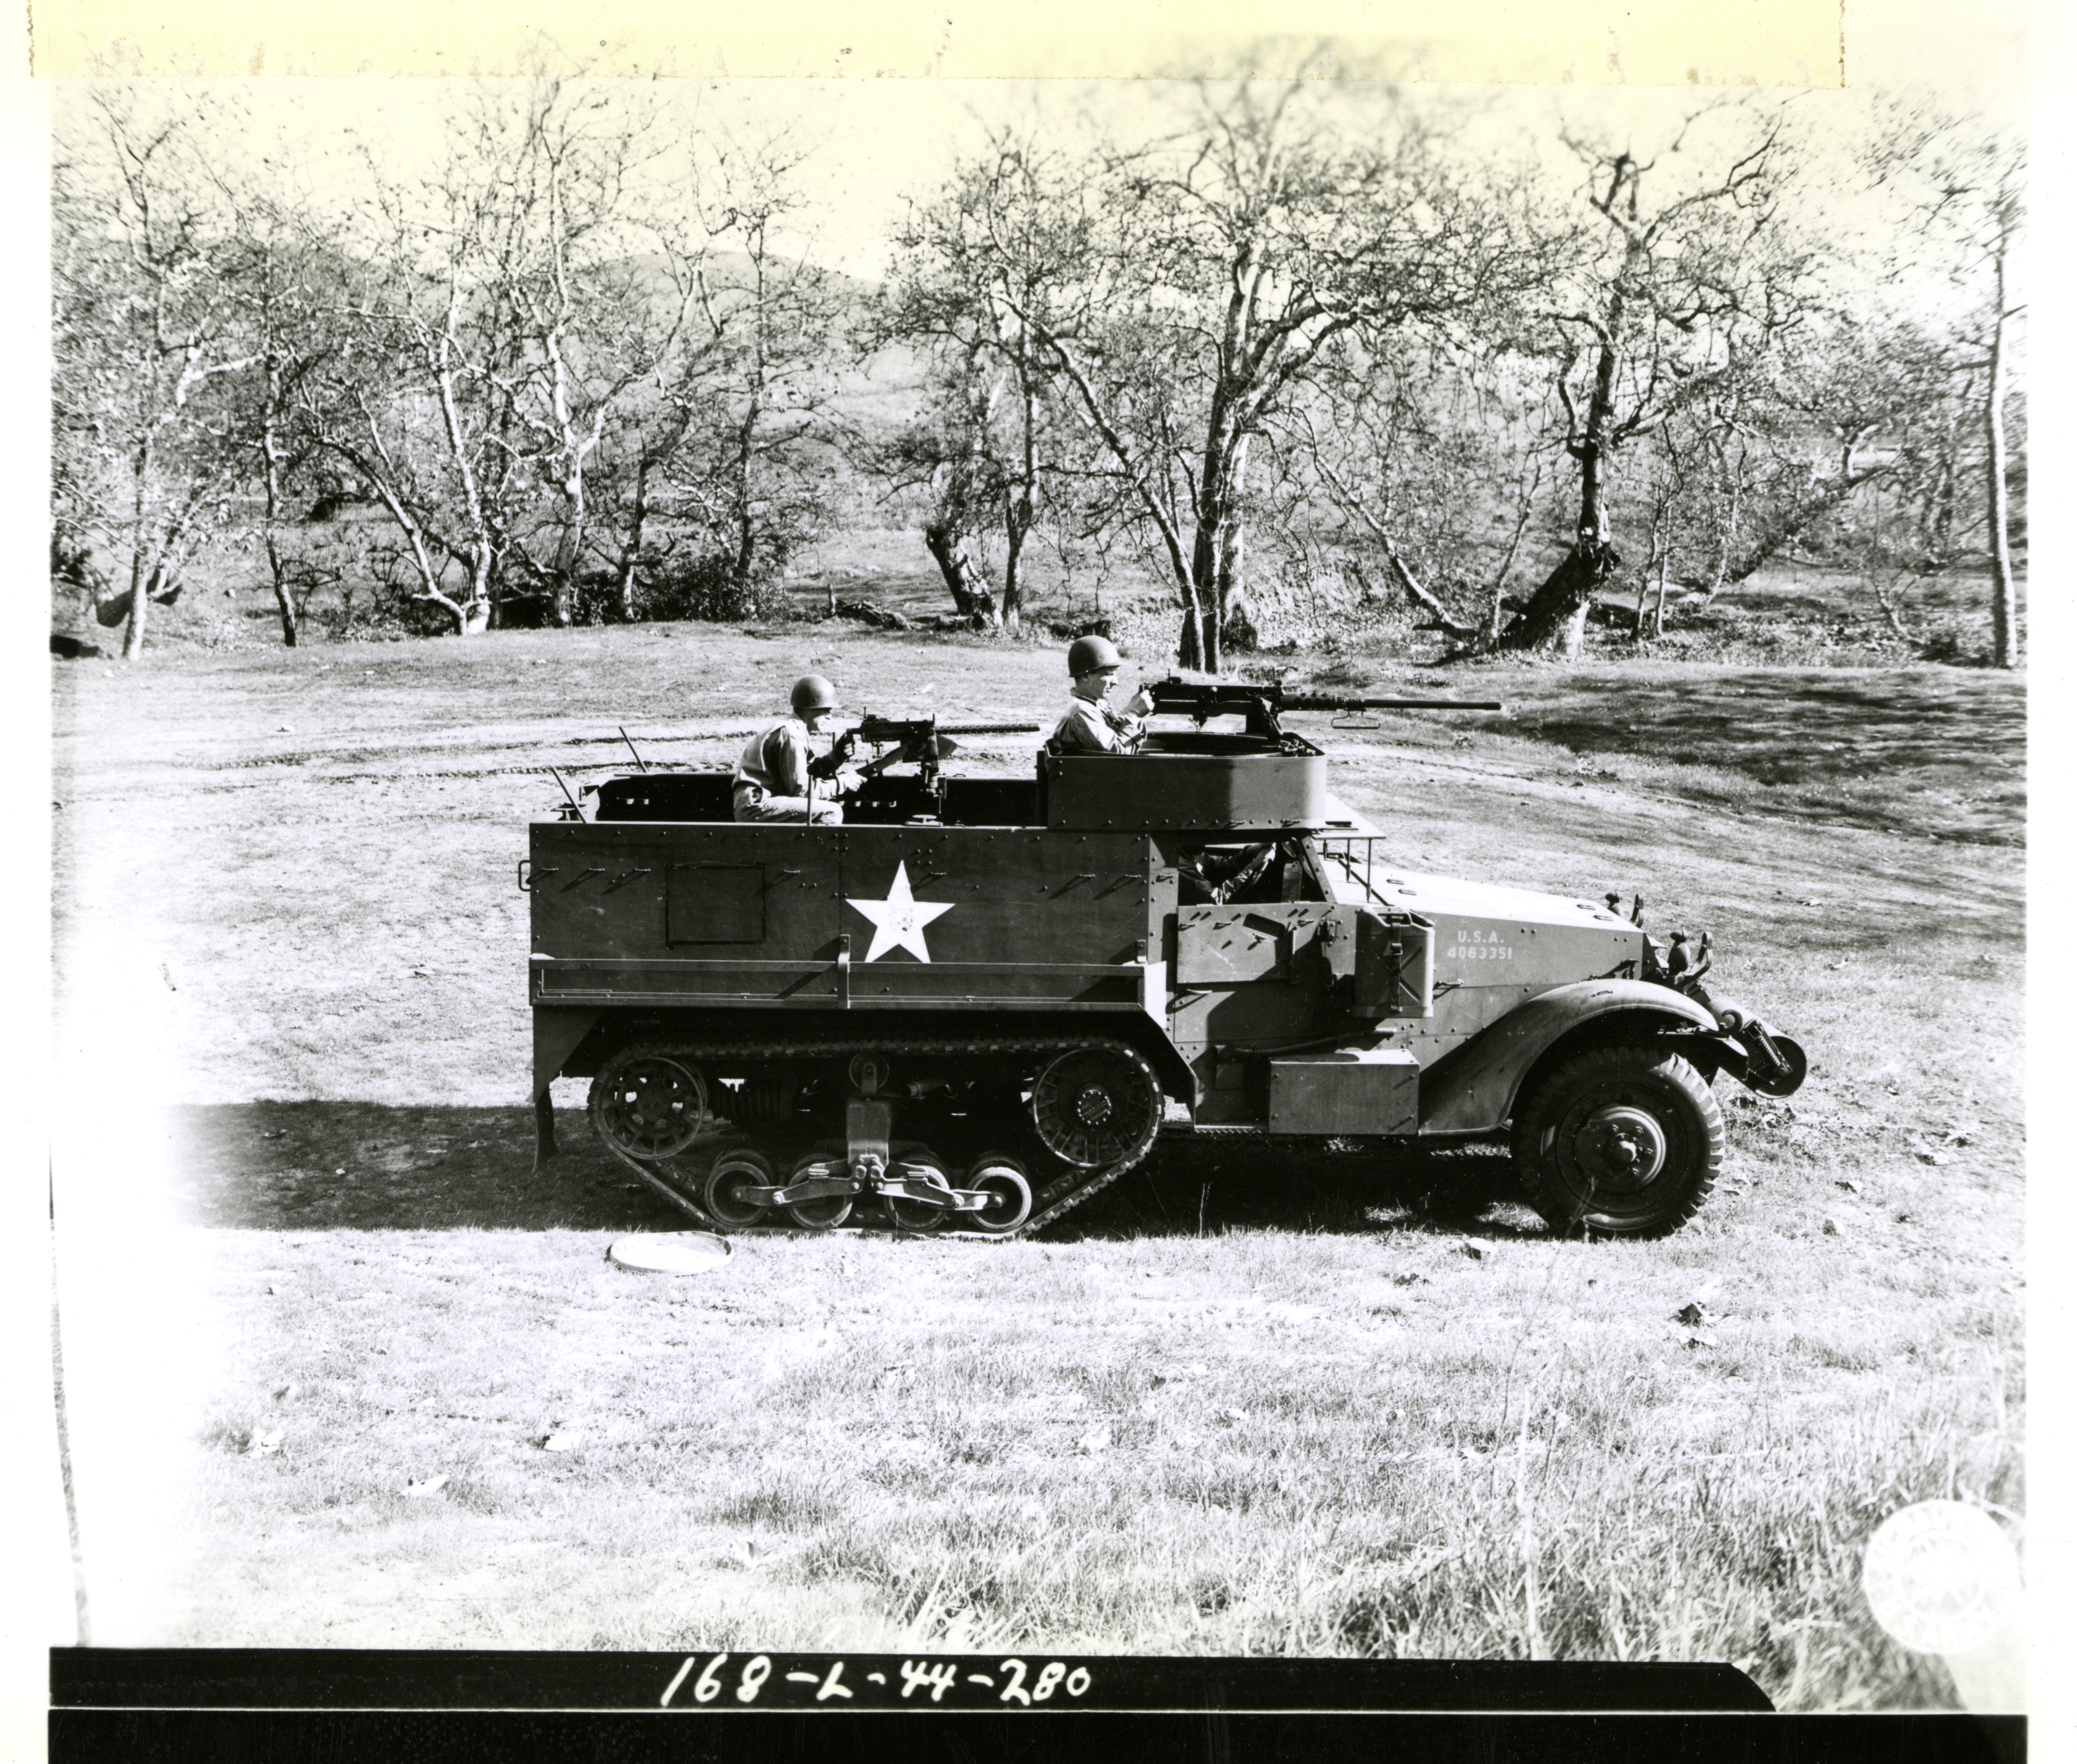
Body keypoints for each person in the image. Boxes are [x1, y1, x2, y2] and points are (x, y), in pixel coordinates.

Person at [733, 675, 861, 823]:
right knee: (832, 811)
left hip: (759, 802)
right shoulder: (791, 735)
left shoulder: (792, 728)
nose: (829, 717)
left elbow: (805, 773)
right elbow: (802, 791)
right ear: (811, 708)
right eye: (827, 710)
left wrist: (835, 758)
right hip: (757, 806)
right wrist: (843, 782)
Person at [1048, 634, 1154, 755]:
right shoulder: (1083, 711)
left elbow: (1114, 734)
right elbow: (1117, 756)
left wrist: (1135, 712)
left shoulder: (1095, 704)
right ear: (1086, 676)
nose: (1116, 682)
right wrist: (1133, 714)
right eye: (1109, 674)